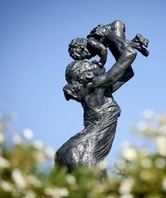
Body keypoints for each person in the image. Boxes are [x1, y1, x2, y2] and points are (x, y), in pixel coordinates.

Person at [55, 23, 149, 179]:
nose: (98, 65)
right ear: (86, 76)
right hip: (88, 149)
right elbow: (129, 54)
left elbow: (127, 72)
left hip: (71, 148)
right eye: (91, 66)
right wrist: (110, 35)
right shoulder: (97, 85)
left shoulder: (99, 90)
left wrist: (118, 40)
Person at [68, 20, 149, 68]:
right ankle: (137, 42)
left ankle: (137, 40)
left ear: (82, 48)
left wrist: (101, 63)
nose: (89, 57)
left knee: (122, 51)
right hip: (113, 31)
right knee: (120, 47)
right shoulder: (94, 44)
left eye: (86, 55)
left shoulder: (91, 41)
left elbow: (103, 49)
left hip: (115, 28)